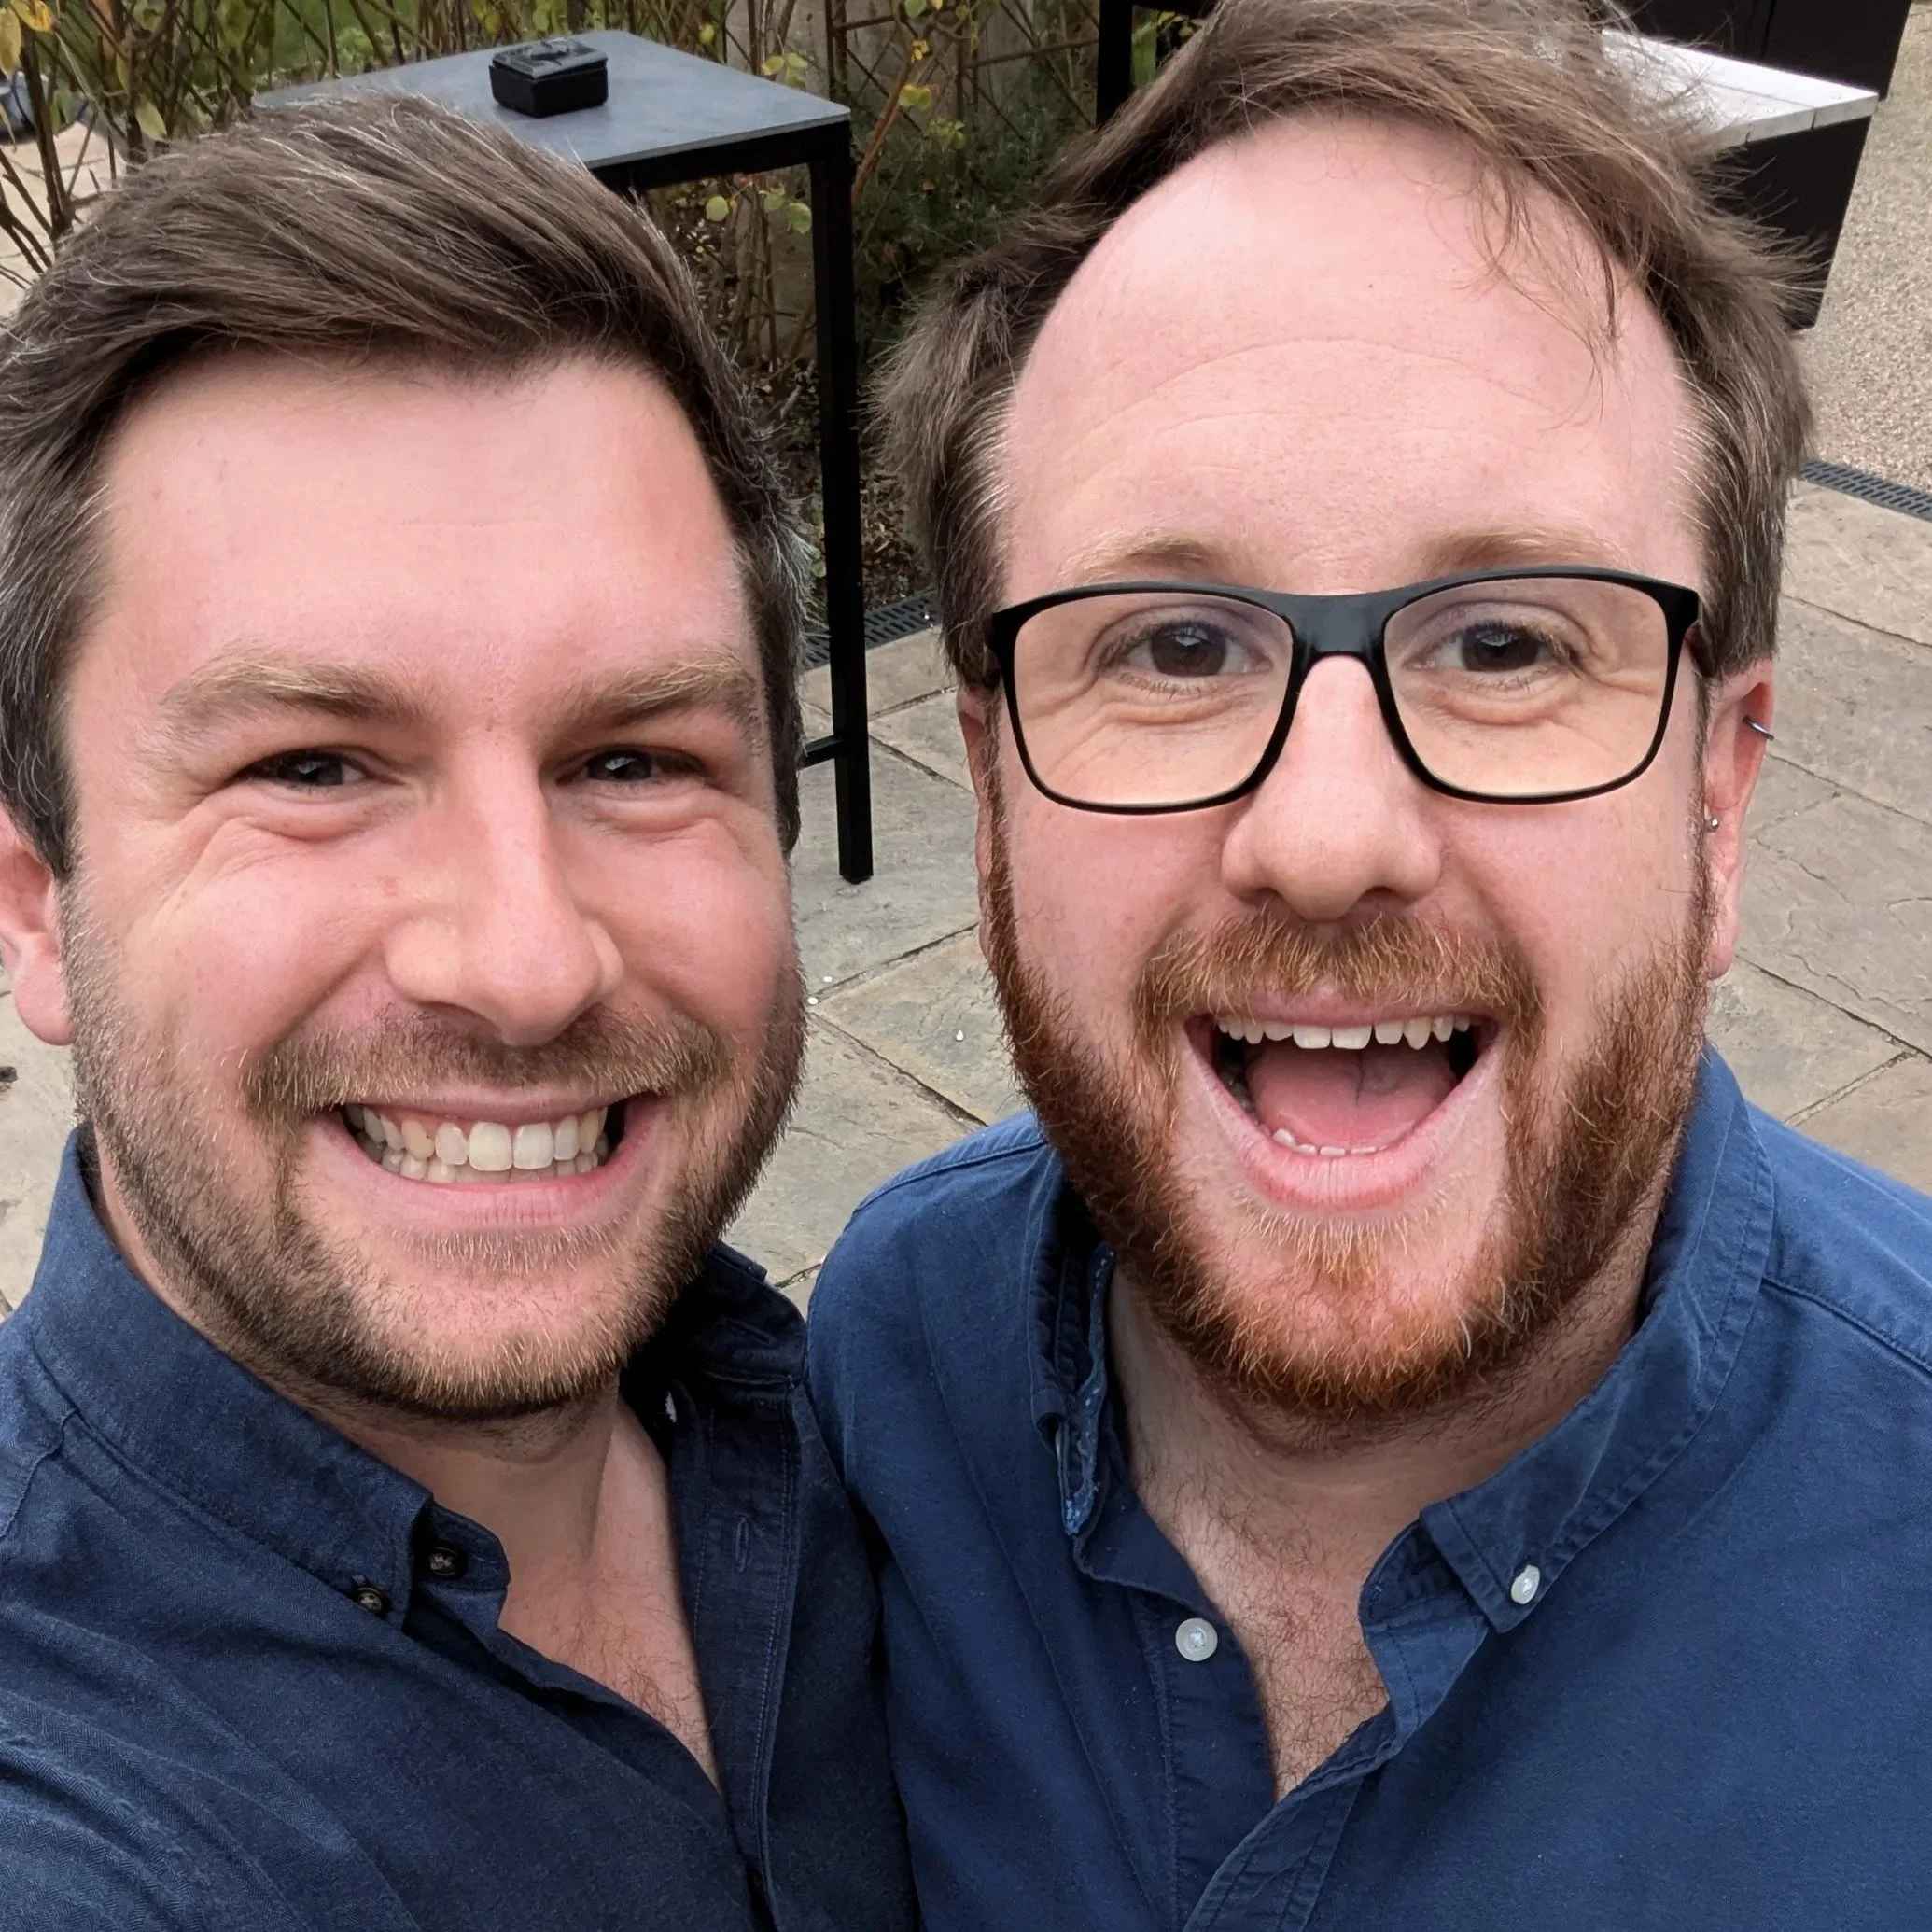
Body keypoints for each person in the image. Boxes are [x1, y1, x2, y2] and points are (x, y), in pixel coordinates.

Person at [807, 0, 1932, 1925]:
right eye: (1171, 646)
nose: (1328, 837)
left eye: (1507, 644)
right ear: (991, 793)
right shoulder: (897, 1358)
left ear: (1720, 799)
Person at [0, 98, 913, 1931]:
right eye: (313, 766)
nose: (524, 959)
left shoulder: (889, 1422)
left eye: (634, 759)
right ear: (36, 901)